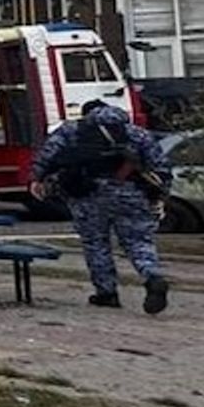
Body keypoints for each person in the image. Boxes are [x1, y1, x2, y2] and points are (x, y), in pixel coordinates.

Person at [30, 99, 173, 314]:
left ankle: (107, 293)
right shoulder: (136, 133)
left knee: (95, 243)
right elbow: (159, 166)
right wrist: (160, 194)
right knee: (138, 241)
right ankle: (152, 276)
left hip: (87, 195)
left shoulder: (71, 131)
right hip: (131, 192)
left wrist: (36, 179)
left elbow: (46, 155)